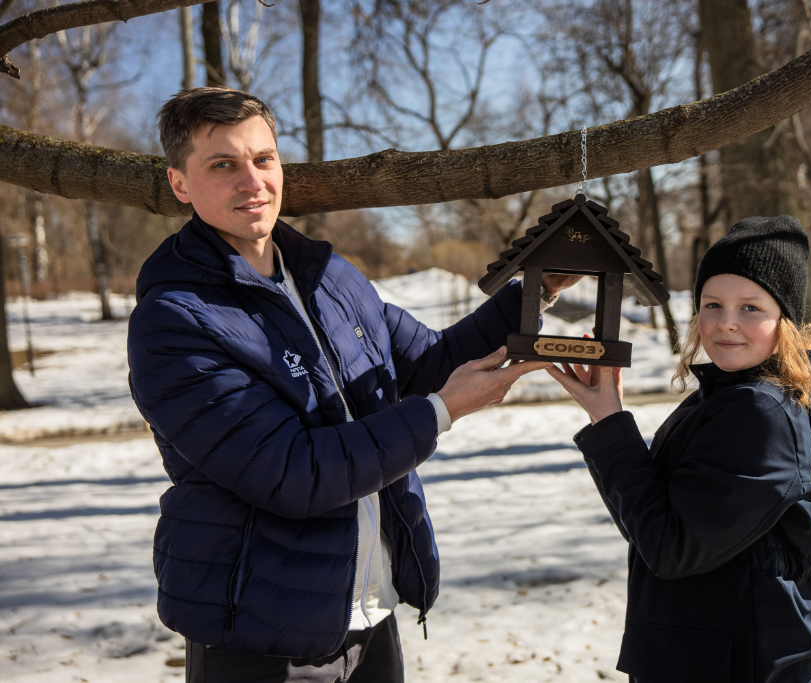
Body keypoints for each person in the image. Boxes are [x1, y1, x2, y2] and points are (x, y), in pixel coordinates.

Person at [127, 86, 577, 682]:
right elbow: (292, 472)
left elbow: (425, 363)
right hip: (260, 633)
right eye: (222, 165)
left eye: (263, 159)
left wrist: (536, 291)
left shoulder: (326, 276)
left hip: (370, 608)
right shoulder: (176, 320)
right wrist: (441, 412)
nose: (252, 181)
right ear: (180, 184)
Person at [546, 216, 811, 683]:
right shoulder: (726, 396)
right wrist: (606, 417)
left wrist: (610, 424)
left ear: (785, 321)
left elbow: (671, 548)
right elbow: (661, 527)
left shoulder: (761, 412)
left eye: (751, 307)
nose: (726, 322)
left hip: (745, 665)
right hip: (709, 653)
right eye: (712, 303)